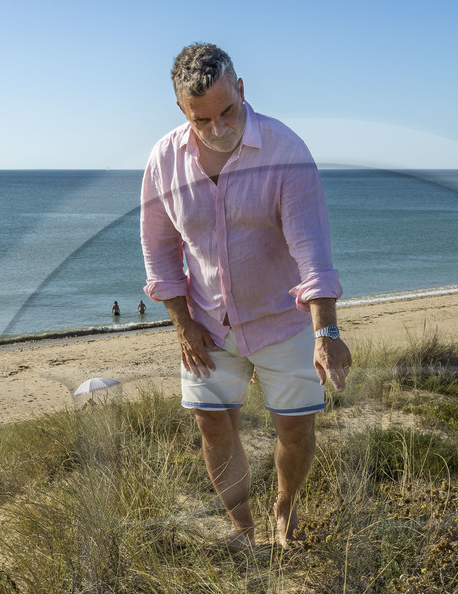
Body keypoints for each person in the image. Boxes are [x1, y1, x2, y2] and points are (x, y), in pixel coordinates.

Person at [140, 42, 351, 551]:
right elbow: (159, 249)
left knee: (295, 431)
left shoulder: (286, 150)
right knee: (212, 426)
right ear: (181, 110)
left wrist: (326, 332)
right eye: (201, 119)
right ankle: (241, 526)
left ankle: (285, 509)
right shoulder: (163, 160)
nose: (217, 128)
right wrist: (182, 323)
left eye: (226, 111)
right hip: (207, 323)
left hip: (281, 319)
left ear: (241, 88)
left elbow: (311, 250)